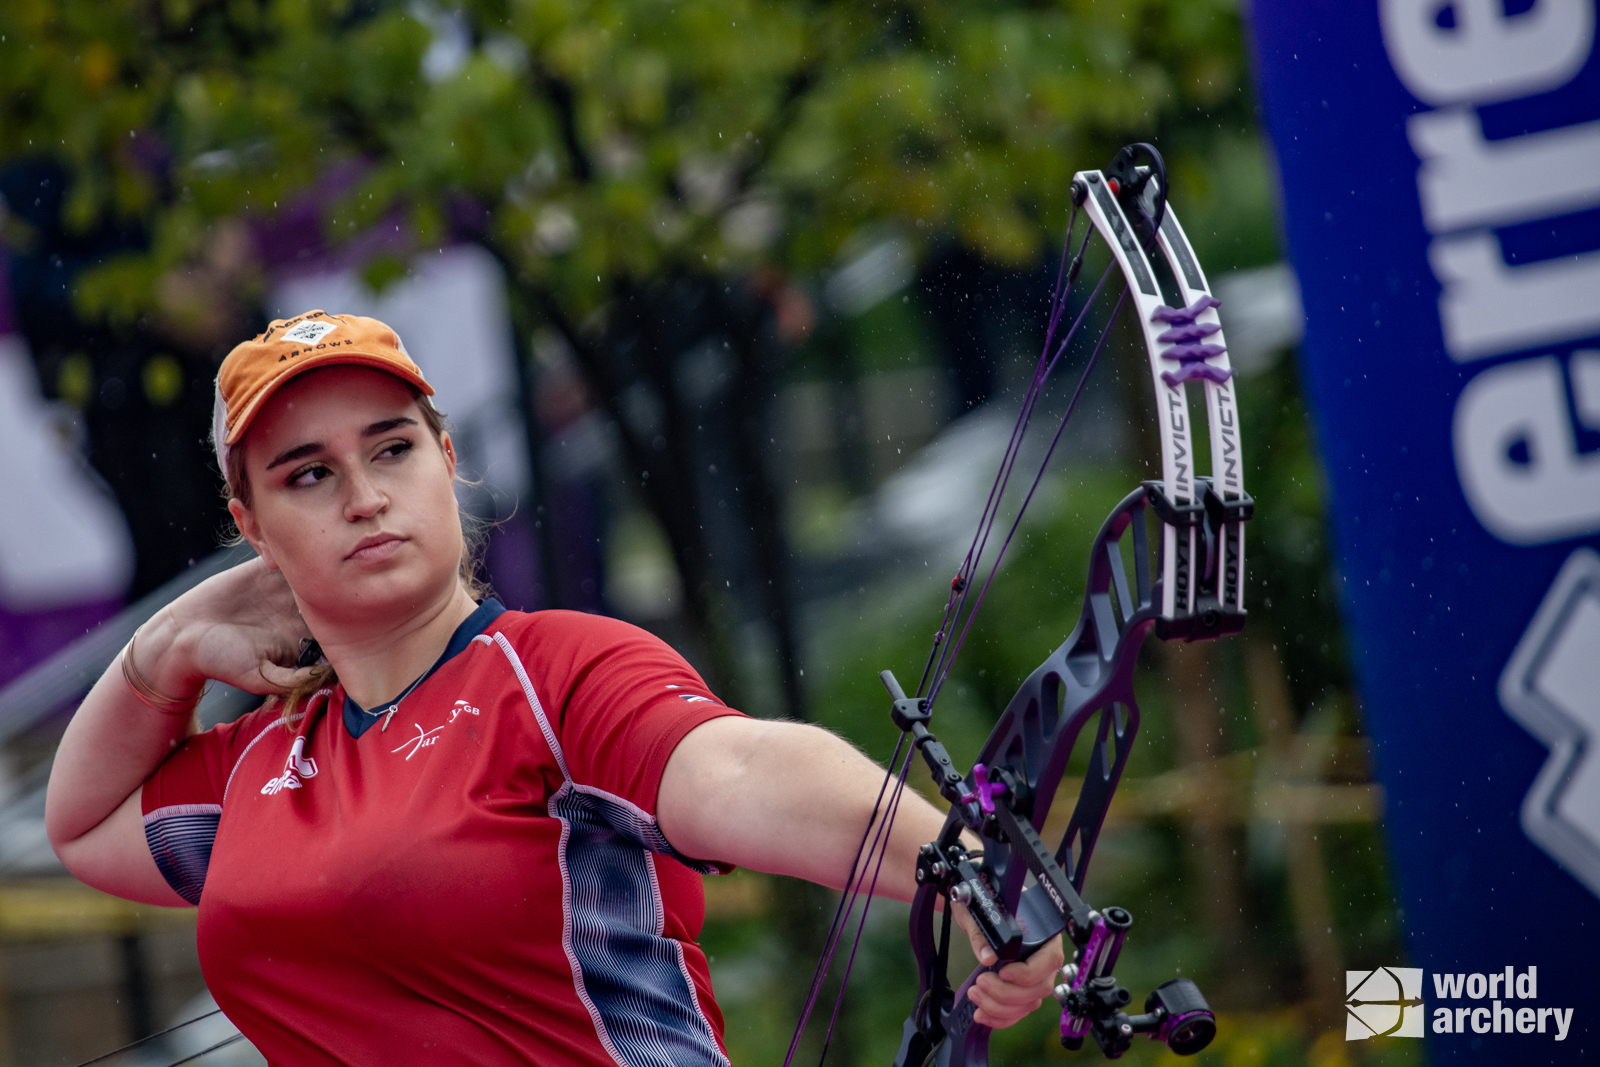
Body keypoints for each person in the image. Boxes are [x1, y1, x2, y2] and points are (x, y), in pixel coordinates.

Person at [45, 310, 1062, 1065]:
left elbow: (739, 764)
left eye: (392, 449)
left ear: (447, 463)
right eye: (307, 474)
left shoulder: (554, 670)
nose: (364, 497)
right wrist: (165, 646)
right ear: (252, 526)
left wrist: (958, 864)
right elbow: (83, 824)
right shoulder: (266, 759)